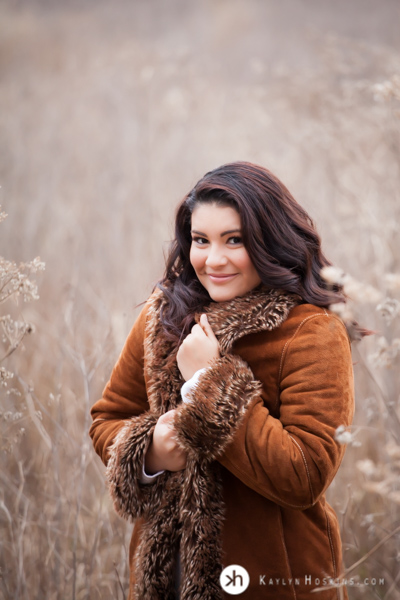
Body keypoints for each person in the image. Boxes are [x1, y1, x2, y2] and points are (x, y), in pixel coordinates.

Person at [89, 161, 355, 600]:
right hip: (165, 576)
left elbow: (304, 475)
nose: (213, 260)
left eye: (235, 240)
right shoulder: (164, 313)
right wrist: (151, 449)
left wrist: (211, 380)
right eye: (200, 240)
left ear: (270, 240)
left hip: (274, 578)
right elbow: (108, 418)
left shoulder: (312, 331)